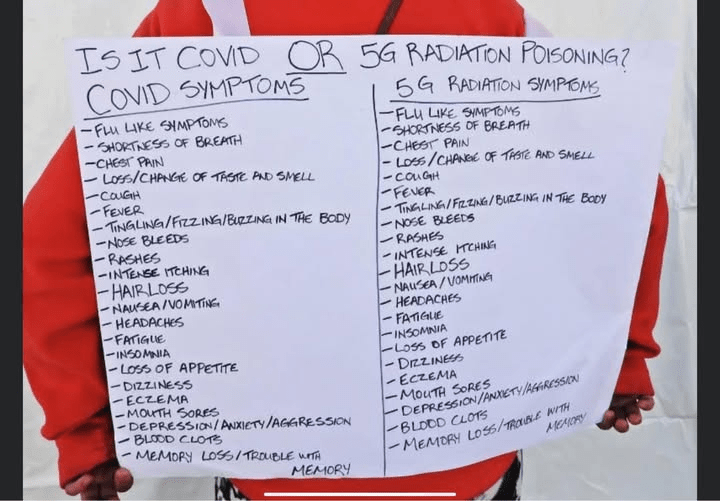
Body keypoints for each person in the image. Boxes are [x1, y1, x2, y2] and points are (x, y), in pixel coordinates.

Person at [22, 0, 669, 499]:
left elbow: (49, 236)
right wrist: (619, 358)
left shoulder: (206, 15)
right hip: (466, 466)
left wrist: (87, 431)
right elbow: (623, 184)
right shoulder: (496, 16)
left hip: (275, 472)